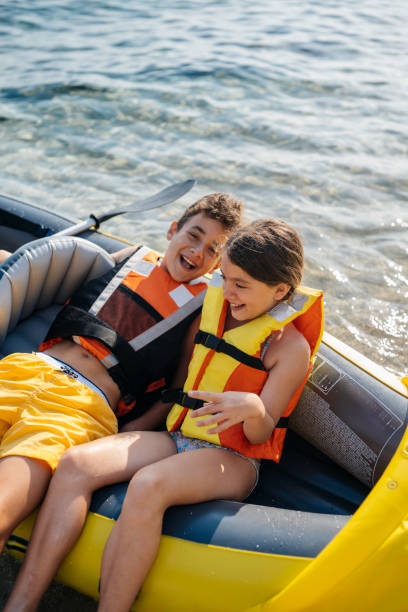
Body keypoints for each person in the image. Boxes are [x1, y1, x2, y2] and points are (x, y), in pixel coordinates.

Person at [4, 218, 323, 612]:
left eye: (241, 285)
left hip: (233, 457)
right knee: (76, 464)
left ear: (280, 290)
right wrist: (130, 430)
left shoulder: (289, 348)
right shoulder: (214, 312)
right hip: (176, 437)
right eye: (225, 279)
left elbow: (261, 433)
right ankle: (21, 603)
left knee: (149, 484)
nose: (228, 292)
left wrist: (253, 407)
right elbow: (178, 390)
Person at [0, 192, 243, 558]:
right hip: (23, 369)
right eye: (194, 236)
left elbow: (179, 386)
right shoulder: (128, 258)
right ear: (172, 230)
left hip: (77, 408)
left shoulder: (202, 310)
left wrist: (138, 426)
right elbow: (52, 276)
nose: (198, 252)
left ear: (219, 264)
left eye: (213, 250)